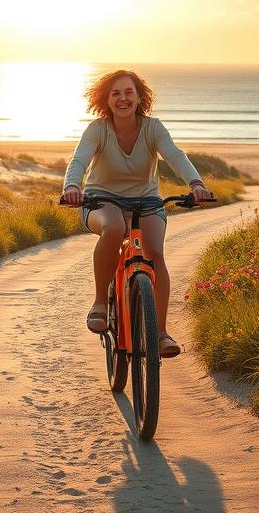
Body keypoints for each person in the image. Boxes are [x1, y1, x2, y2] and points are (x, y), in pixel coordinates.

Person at [61, 69, 214, 358]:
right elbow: (79, 160)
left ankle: (160, 334)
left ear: (139, 97)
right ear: (106, 99)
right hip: (100, 200)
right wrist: (72, 187)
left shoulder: (153, 128)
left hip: (146, 202)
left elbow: (175, 156)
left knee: (155, 252)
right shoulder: (98, 129)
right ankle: (99, 303)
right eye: (115, 93)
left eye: (128, 92)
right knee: (114, 227)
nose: (123, 98)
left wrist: (196, 184)